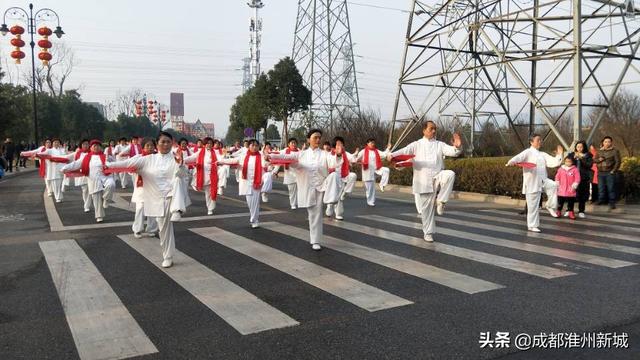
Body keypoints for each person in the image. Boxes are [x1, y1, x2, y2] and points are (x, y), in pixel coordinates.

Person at [107, 132, 188, 267]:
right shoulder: (148, 159)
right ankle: (168, 256)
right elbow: (128, 163)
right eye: (163, 142)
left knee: (178, 180)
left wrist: (181, 165)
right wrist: (109, 166)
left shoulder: (176, 158)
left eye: (168, 142)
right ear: (157, 144)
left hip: (173, 197)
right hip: (156, 198)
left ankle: (178, 210)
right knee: (164, 229)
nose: (166, 144)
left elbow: (184, 174)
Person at [269, 129, 343, 250]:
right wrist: (270, 156)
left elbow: (333, 162)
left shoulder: (324, 154)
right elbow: (286, 156)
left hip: (322, 186)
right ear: (309, 139)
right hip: (308, 187)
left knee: (333, 176)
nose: (318, 140)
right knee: (313, 214)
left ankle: (331, 201)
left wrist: (338, 155)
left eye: (319, 137)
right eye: (315, 137)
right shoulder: (301, 154)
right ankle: (314, 240)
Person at [388, 121, 462, 242]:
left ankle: (441, 201)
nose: (433, 131)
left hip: (438, 175)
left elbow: (453, 151)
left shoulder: (439, 144)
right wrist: (391, 155)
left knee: (450, 174)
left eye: (435, 129)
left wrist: (457, 147)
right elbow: (403, 152)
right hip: (423, 181)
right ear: (424, 130)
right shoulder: (416, 145)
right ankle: (428, 233)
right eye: (431, 129)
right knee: (426, 211)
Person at [506, 133, 563, 232]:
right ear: (531, 142)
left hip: (543, 180)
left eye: (541, 140)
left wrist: (559, 154)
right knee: (533, 206)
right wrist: (511, 162)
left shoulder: (543, 154)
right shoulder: (528, 152)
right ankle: (532, 225)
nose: (540, 142)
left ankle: (550, 205)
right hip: (532, 183)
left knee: (554, 185)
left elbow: (553, 162)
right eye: (538, 140)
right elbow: (518, 158)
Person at [218, 140, 276, 228]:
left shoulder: (261, 156)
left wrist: (268, 160)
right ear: (249, 146)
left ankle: (255, 220)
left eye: (256, 146)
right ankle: (253, 217)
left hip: (258, 181)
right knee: (250, 203)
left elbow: (267, 163)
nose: (254, 147)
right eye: (252, 145)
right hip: (247, 182)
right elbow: (232, 160)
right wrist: (220, 161)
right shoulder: (243, 156)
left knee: (256, 202)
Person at [61, 140, 116, 223]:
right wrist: (65, 168)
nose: (96, 147)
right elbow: (76, 164)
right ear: (91, 147)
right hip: (93, 179)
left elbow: (116, 163)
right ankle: (99, 216)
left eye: (98, 146)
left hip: (106, 177)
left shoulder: (105, 156)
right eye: (94, 146)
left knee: (111, 184)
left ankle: (106, 199)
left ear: (100, 147)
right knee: (96, 198)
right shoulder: (86, 157)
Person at [130, 139, 159, 238]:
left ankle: (151, 229)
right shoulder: (138, 157)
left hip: (153, 186)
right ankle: (137, 229)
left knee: (153, 208)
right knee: (140, 208)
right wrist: (137, 171)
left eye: (152, 145)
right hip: (141, 187)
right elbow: (130, 167)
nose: (150, 148)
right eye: (147, 146)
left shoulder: (158, 157)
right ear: (143, 147)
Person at [184, 137, 219, 215]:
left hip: (212, 176)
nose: (209, 145)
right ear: (204, 144)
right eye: (207, 143)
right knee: (197, 183)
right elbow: (191, 158)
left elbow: (220, 159)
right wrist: (182, 160)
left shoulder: (215, 153)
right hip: (202, 175)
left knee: (209, 193)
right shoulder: (200, 152)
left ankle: (210, 208)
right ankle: (195, 185)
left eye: (210, 143)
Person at [325, 136, 358, 220]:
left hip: (344, 177)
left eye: (342, 144)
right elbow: (331, 165)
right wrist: (338, 155)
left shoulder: (345, 153)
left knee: (353, 175)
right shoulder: (330, 154)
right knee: (334, 196)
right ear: (334, 146)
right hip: (333, 179)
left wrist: (354, 158)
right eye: (338, 144)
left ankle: (345, 194)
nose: (340, 146)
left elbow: (353, 159)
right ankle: (330, 207)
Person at [33, 138, 72, 203]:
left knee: (59, 184)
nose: (56, 143)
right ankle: (58, 197)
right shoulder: (50, 150)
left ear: (59, 144)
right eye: (55, 142)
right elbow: (43, 153)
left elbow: (67, 156)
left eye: (57, 142)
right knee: (55, 184)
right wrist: (37, 155)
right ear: (52, 143)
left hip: (62, 169)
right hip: (53, 170)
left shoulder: (62, 150)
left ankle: (59, 196)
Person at [356, 139, 391, 206]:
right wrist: (357, 160)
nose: (373, 144)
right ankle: (370, 201)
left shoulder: (376, 151)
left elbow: (384, 154)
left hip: (377, 169)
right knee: (370, 188)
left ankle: (382, 184)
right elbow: (357, 158)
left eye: (373, 143)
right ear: (367, 143)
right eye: (371, 143)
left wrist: (388, 148)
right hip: (368, 172)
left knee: (386, 170)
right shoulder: (363, 151)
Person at [594, 136, 621, 209]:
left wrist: (613, 170)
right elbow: (594, 160)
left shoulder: (615, 151)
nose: (607, 143)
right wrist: (599, 159)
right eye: (605, 142)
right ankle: (600, 200)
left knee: (611, 188)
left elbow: (618, 162)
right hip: (600, 172)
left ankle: (612, 202)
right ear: (603, 142)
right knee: (601, 188)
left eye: (609, 142)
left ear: (611, 142)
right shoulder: (599, 151)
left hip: (610, 172)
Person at [570, 140, 593, 218]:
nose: (579, 148)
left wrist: (581, 158)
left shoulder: (588, 155)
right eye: (578, 147)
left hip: (583, 177)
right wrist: (574, 158)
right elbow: (567, 163)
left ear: (584, 147)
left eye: (581, 147)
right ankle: (569, 210)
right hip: (573, 177)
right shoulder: (572, 155)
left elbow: (589, 165)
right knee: (571, 194)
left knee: (582, 195)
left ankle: (581, 210)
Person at [555, 155, 581, 220]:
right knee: (560, 201)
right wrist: (557, 183)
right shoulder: (561, 169)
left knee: (571, 202)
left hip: (570, 189)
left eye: (569, 161)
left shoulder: (575, 169)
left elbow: (577, 178)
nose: (567, 163)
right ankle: (558, 211)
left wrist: (574, 185)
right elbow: (557, 177)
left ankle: (571, 212)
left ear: (572, 162)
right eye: (566, 161)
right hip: (562, 189)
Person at [73, 139, 92, 212]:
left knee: (90, 189)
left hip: (90, 173)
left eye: (87, 144)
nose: (85, 145)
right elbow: (75, 163)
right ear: (81, 145)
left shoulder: (91, 152)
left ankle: (86, 206)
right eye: (84, 144)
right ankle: (86, 204)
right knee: (85, 190)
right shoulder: (78, 153)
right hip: (82, 174)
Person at [282, 138, 300, 209]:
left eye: (295, 143)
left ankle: (298, 202)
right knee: (292, 190)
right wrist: (275, 171)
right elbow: (278, 156)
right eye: (292, 143)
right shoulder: (285, 151)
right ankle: (293, 204)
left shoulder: (299, 152)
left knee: (299, 190)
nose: (293, 144)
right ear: (289, 144)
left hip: (298, 174)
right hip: (289, 174)